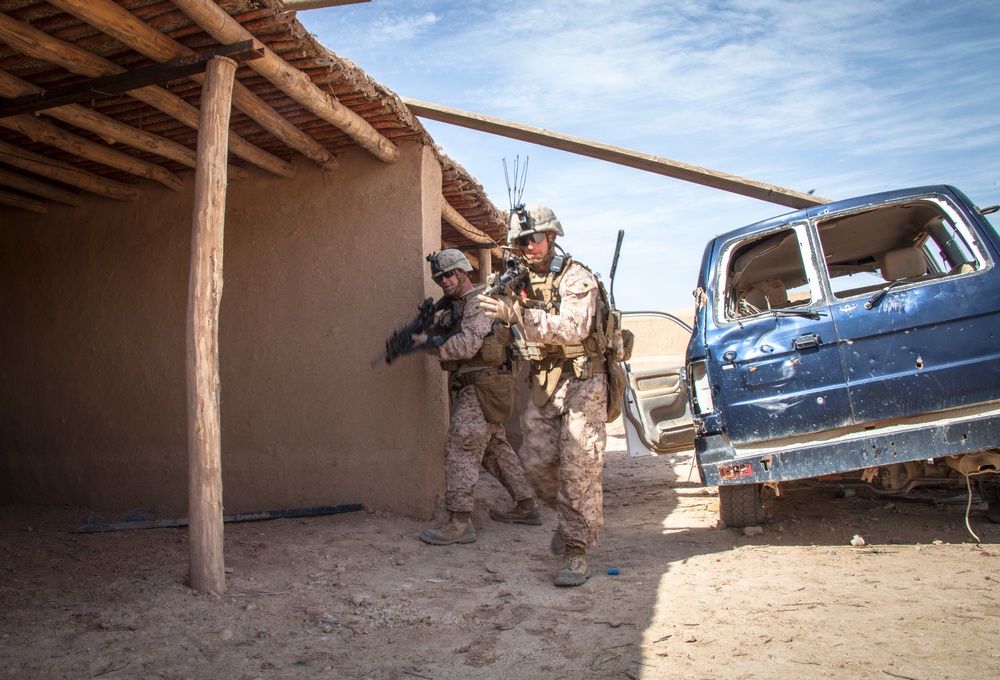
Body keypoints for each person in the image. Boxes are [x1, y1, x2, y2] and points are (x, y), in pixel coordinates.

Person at [478, 205, 607, 587]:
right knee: (536, 465)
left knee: (579, 468)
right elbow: (510, 339)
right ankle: (574, 518)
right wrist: (501, 317)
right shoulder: (520, 281)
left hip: (585, 382)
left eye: (533, 238)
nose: (527, 246)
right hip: (546, 383)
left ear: (551, 237)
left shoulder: (576, 277)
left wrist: (518, 313)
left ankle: (576, 548)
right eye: (520, 241)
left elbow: (573, 328)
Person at [418, 249, 540, 546]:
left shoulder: (479, 302)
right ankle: (527, 506)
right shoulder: (457, 305)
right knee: (494, 450)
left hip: (482, 387)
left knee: (460, 445)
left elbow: (467, 346)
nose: (443, 280)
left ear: (463, 273)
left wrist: (429, 344)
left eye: (448, 274)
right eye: (438, 277)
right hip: (479, 387)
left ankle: (459, 522)